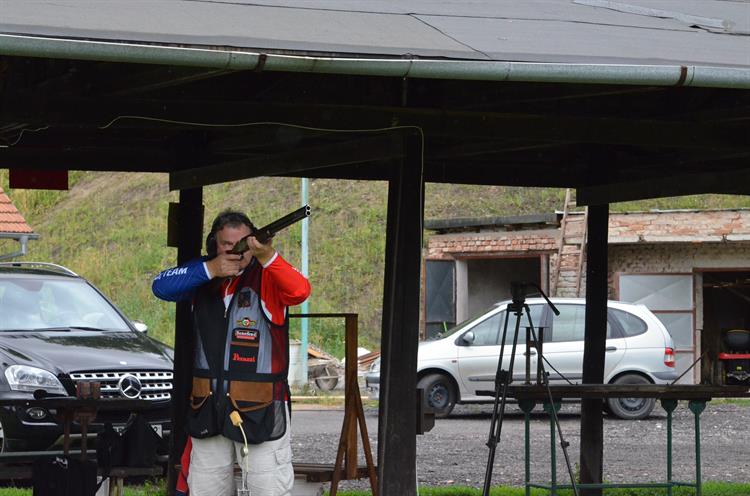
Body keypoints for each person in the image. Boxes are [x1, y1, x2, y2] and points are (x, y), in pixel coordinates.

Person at [152, 209, 311, 496]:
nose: (236, 251)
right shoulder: (203, 276)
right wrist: (211, 269)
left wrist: (268, 257)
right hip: (207, 411)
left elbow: (300, 291)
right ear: (215, 245)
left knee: (269, 490)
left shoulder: (268, 276)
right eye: (228, 245)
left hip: (261, 411)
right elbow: (161, 286)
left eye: (244, 243)